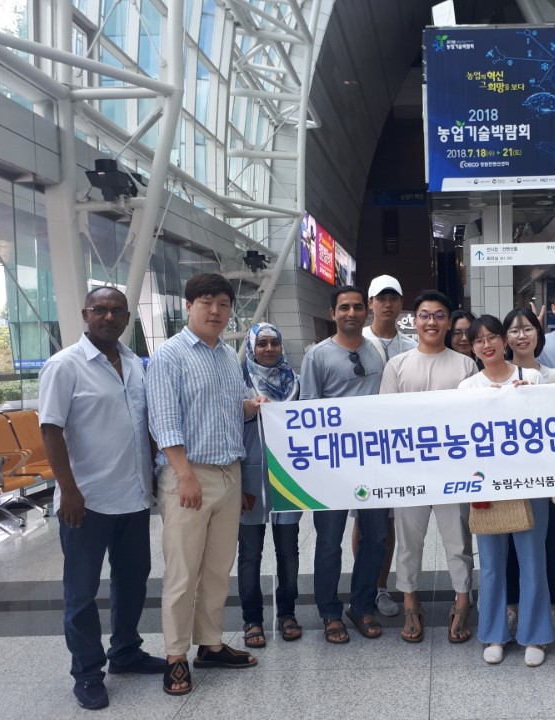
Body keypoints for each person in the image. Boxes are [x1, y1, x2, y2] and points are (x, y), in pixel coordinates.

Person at [39, 287, 164, 711]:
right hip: (87, 501)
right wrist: (69, 489)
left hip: (134, 496)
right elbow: (50, 430)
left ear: (127, 318)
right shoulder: (65, 365)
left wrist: (153, 476)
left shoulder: (136, 365)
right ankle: (88, 672)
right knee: (81, 592)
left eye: (117, 311)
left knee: (132, 581)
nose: (109, 317)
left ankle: (125, 652)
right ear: (85, 314)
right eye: (100, 310)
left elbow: (145, 426)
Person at [148, 273, 264, 696]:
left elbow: (232, 410)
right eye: (206, 302)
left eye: (223, 304)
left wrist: (252, 406)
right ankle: (175, 655)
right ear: (188, 305)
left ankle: (211, 644)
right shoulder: (169, 356)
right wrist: (184, 475)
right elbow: (164, 421)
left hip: (229, 473)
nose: (215, 311)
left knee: (217, 569)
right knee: (183, 571)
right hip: (189, 476)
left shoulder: (228, 356)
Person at [381, 290, 477, 643]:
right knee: (409, 542)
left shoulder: (465, 365)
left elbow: (474, 418)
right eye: (424, 315)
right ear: (415, 321)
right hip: (410, 470)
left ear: (449, 323)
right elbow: (385, 419)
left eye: (439, 315)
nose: (431, 322)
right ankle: (410, 602)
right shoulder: (397, 365)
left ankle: (462, 600)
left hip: (453, 471)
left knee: (458, 540)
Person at [458, 315, 553, 667]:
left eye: (492, 337)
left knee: (533, 560)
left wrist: (531, 400)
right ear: (472, 347)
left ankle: (535, 634)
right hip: (486, 483)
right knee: (492, 564)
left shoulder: (532, 378)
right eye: (478, 340)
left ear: (504, 340)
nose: (487, 345)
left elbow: (550, 426)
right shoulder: (467, 388)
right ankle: (494, 633)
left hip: (530, 482)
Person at [299, 285, 388, 643]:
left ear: (367, 311)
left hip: (374, 461)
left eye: (357, 307)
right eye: (344, 307)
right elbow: (308, 411)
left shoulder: (377, 351)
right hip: (333, 464)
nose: (351, 313)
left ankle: (362, 605)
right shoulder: (317, 356)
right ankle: (329, 612)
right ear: (332, 313)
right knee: (329, 541)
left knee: (376, 537)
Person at [502, 308, 555, 642]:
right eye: (514, 330)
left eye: (528, 329)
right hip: (508, 481)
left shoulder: (554, 377)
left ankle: (550, 610)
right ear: (505, 339)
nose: (522, 336)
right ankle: (512, 609)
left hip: (546, 478)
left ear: (538, 334)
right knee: (510, 549)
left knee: (547, 543)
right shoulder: (496, 377)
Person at [237, 323, 302, 648]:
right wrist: (248, 407)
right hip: (250, 478)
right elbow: (227, 423)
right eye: (261, 343)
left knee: (288, 551)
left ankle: (287, 613)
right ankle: (252, 619)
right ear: (251, 348)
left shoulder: (295, 383)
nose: (268, 349)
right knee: (250, 553)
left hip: (289, 478)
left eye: (274, 343)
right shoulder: (239, 383)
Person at [358, 274, 417, 616]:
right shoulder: (357, 341)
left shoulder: (410, 346)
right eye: (381, 298)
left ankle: (380, 587)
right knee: (364, 518)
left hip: (400, 446)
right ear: (371, 304)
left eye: (394, 297)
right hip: (365, 445)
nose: (388, 304)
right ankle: (365, 586)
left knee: (390, 519)